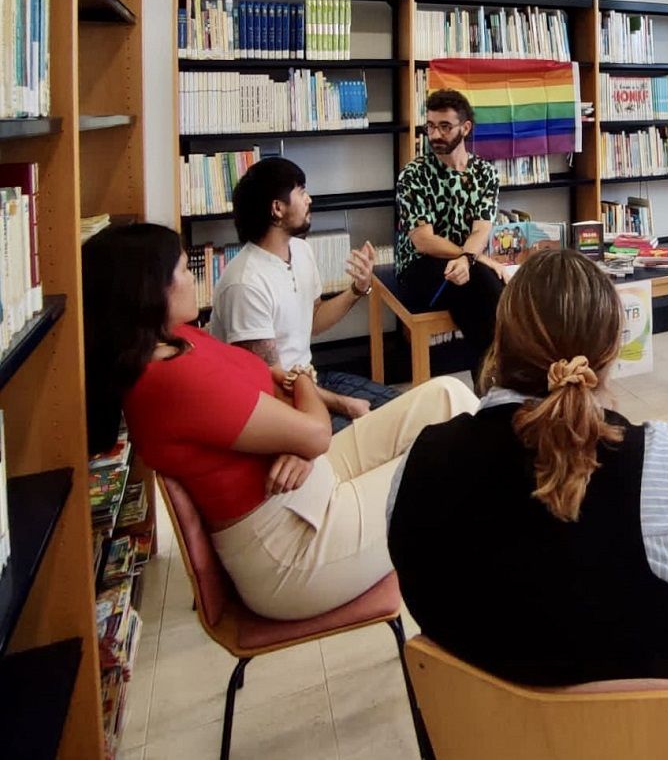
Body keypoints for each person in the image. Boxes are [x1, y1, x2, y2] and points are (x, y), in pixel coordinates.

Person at [389, 249, 668, 760]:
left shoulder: (419, 461)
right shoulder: (664, 464)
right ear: (609, 352)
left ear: (500, 341)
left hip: (481, 739)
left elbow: (413, 571)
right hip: (631, 744)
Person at [83, 223, 478, 621]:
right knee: (452, 461)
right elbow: (313, 426)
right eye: (185, 270)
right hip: (294, 549)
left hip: (303, 481)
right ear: (149, 289)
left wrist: (301, 439)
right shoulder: (170, 380)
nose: (193, 279)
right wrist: (302, 391)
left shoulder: (179, 338)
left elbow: (273, 386)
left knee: (449, 395)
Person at [208, 156, 397, 433]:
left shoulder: (301, 250)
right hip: (279, 404)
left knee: (404, 410)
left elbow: (313, 320)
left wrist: (358, 289)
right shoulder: (245, 283)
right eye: (301, 191)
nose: (309, 199)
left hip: (311, 383)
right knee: (376, 435)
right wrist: (343, 404)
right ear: (277, 208)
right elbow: (269, 381)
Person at [394, 88, 506, 376]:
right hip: (421, 267)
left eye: (445, 126)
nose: (435, 135)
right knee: (482, 282)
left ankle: (494, 374)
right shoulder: (413, 175)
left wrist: (469, 259)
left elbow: (482, 228)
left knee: (486, 289)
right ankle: (497, 377)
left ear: (465, 128)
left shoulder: (485, 173)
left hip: (464, 264)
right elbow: (423, 241)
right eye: (430, 126)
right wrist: (475, 258)